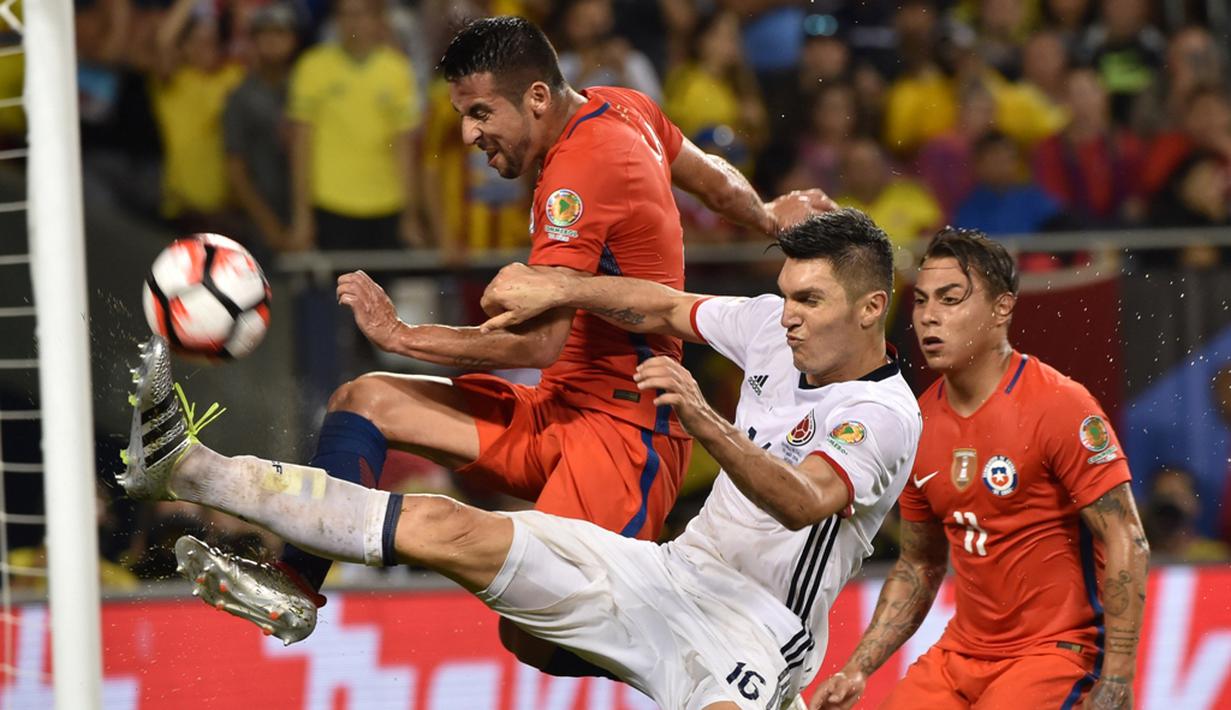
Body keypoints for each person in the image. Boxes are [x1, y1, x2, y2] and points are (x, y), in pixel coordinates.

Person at [172, 15, 834, 671]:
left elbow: (537, 342)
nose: (467, 134)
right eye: (463, 113)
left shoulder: (581, 171)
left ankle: (724, 648)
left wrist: (404, 335)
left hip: (625, 436)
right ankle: (293, 584)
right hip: (556, 410)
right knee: (365, 398)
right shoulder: (623, 107)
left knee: (534, 641)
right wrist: (767, 212)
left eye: (481, 111)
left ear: (537, 98)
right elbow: (707, 173)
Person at [121, 210, 920, 710]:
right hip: (668, 574)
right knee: (452, 528)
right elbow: (658, 304)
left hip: (754, 635)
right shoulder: (765, 327)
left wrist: (707, 419)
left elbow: (803, 502)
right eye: (784, 295)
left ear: (871, 308)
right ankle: (187, 467)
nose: (786, 318)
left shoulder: (881, 416)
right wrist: (561, 288)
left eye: (808, 301)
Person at [811, 229, 1150, 710]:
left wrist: (1118, 678)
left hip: (1057, 652)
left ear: (1002, 309)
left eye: (951, 300)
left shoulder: (1059, 405)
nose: (929, 316)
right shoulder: (916, 423)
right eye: (922, 300)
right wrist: (857, 668)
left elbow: (1126, 537)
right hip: (962, 654)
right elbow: (920, 564)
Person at [285, 0, 423, 251]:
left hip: (387, 204)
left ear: (377, 20)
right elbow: (301, 146)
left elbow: (404, 148)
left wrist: (409, 215)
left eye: (361, 15)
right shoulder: (312, 67)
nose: (353, 23)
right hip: (331, 204)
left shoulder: (397, 70)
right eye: (345, 15)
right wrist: (302, 217)